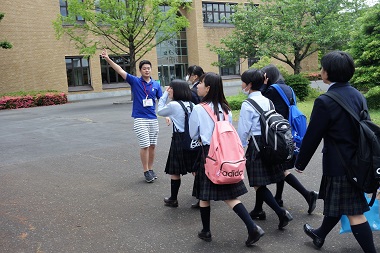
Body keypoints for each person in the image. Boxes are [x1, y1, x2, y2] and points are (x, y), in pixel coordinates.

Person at [295, 51, 377, 252]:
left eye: (323, 67)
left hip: (340, 165)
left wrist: (300, 163)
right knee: (339, 202)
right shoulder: (358, 95)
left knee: (354, 212)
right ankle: (319, 234)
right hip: (359, 162)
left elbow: (313, 135)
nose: (321, 71)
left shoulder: (325, 101)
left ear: (328, 73)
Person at [189, 72, 264, 246]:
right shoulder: (226, 108)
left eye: (200, 83)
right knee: (228, 194)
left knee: (206, 195)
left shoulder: (199, 109)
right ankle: (250, 227)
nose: (197, 86)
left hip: (208, 153)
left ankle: (208, 231)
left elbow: (193, 134)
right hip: (225, 154)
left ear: (208, 88)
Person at [247, 64, 318, 220]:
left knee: (269, 173)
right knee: (281, 169)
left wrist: (264, 86)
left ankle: (302, 196)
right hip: (286, 133)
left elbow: (262, 104)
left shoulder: (271, 90)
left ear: (267, 76)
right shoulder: (288, 88)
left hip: (273, 136)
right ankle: (274, 201)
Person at [237, 68, 293, 230]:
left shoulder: (247, 104)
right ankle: (259, 210)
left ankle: (281, 213)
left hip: (256, 145)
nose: (241, 84)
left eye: (243, 82)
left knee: (258, 183)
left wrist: (240, 150)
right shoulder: (267, 100)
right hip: (270, 142)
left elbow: (243, 131)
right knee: (263, 180)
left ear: (249, 85)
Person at [101, 49, 162, 183]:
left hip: (153, 118)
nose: (147, 70)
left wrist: (167, 114)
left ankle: (151, 169)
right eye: (144, 68)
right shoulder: (135, 81)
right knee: (145, 145)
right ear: (140, 70)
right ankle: (145, 170)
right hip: (140, 118)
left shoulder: (156, 84)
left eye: (148, 68)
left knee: (152, 145)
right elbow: (120, 70)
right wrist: (107, 59)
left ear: (151, 70)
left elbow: (161, 101)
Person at [157, 79, 199, 207]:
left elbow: (160, 111)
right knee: (195, 169)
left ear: (177, 90)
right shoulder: (193, 105)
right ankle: (201, 198)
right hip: (193, 139)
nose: (169, 91)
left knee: (175, 170)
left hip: (179, 139)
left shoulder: (174, 105)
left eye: (171, 89)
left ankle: (173, 199)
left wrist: (164, 94)